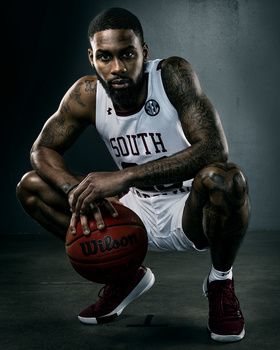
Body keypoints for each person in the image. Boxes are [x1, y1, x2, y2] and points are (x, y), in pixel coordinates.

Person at [16, 7, 250, 343]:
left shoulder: (172, 75)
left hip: (188, 211)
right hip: (130, 212)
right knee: (31, 187)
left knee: (226, 179)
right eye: (105, 57)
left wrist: (126, 177)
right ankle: (124, 276)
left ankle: (221, 282)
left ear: (144, 51)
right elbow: (42, 150)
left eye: (127, 54)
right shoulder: (87, 94)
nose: (117, 68)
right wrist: (74, 190)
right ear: (91, 57)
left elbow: (214, 149)